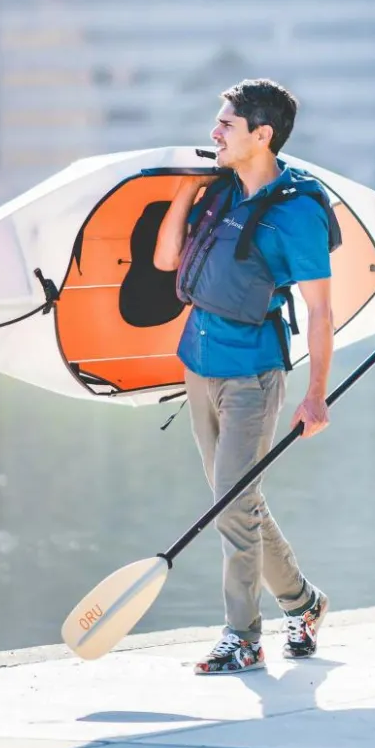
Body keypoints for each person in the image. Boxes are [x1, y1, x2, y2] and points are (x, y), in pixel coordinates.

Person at [154, 78, 337, 675]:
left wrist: (316, 396)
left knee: (232, 503)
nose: (214, 132)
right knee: (236, 501)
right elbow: (165, 262)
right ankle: (304, 604)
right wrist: (183, 197)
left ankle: (243, 635)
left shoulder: (298, 213)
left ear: (262, 135)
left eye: (226, 124)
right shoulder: (222, 191)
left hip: (252, 375)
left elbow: (319, 310)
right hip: (198, 365)